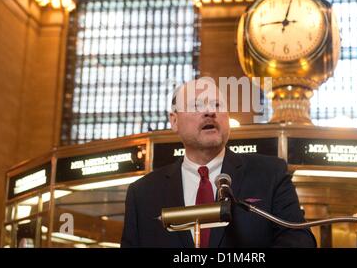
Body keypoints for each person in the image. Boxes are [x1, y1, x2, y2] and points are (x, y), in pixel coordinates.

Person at [121, 78, 316, 247]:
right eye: (197, 106)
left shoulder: (270, 174)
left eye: (217, 105)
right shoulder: (142, 194)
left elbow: (299, 240)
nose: (210, 112)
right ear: (174, 121)